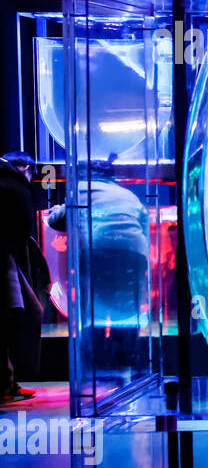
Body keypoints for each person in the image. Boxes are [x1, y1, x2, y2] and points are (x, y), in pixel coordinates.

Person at [47, 158, 149, 381]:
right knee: (127, 309)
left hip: (98, 250)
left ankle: (96, 360)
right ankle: (127, 357)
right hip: (134, 254)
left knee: (91, 306)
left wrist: (55, 209)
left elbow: (56, 221)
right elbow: (143, 221)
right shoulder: (127, 194)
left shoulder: (80, 190)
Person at [0, 151, 49, 402]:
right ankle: (8, 383)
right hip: (4, 256)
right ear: (26, 169)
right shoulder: (14, 183)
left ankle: (8, 382)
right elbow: (22, 225)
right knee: (22, 315)